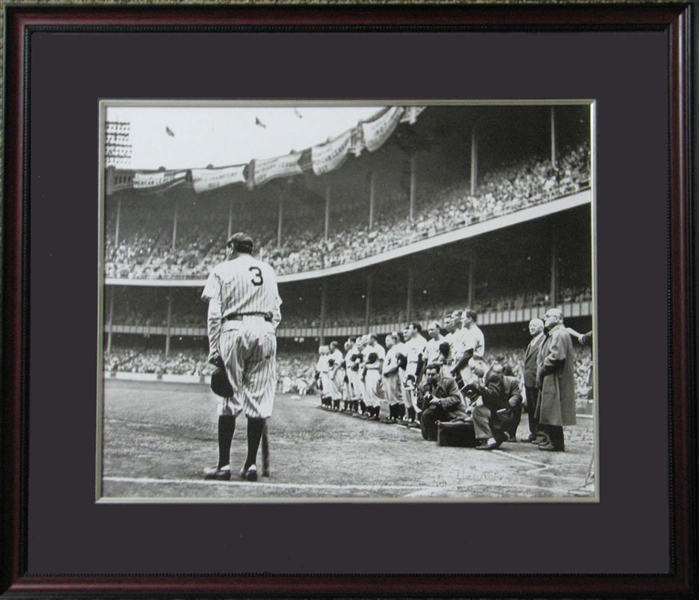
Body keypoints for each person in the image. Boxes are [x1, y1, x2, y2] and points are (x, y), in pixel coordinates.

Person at [201, 232, 282, 482]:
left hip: (234, 328)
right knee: (258, 401)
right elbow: (277, 312)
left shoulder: (222, 268)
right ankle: (250, 466)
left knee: (229, 399)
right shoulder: (268, 270)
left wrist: (215, 348)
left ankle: (224, 466)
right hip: (265, 329)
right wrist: (265, 331)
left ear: (231, 247)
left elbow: (215, 314)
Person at [535, 308, 576, 452]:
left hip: (554, 376)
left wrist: (542, 368)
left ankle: (556, 443)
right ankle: (553, 440)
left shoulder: (558, 333)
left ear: (558, 319)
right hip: (552, 376)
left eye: (548, 316)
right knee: (551, 410)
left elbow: (556, 357)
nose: (544, 318)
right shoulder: (555, 333)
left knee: (552, 410)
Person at [464, 356, 510, 450]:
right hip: (495, 410)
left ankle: (490, 439)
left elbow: (493, 395)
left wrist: (477, 387)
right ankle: (499, 435)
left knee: (478, 411)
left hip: (500, 412)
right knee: (474, 411)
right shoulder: (486, 377)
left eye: (473, 368)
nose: (473, 372)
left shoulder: (493, 376)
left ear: (481, 364)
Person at [418, 363, 468, 441]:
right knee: (426, 430)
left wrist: (439, 401)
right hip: (436, 411)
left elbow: (456, 398)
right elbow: (420, 405)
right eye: (428, 375)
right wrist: (425, 399)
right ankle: (433, 436)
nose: (430, 377)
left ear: (439, 373)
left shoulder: (449, 382)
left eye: (433, 374)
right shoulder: (424, 385)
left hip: (452, 411)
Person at [523, 318, 545, 443]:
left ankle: (541, 433)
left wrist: (539, 378)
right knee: (531, 408)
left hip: (537, 380)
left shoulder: (543, 341)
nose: (531, 328)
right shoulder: (531, 342)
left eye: (534, 326)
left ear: (541, 327)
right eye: (530, 325)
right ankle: (534, 432)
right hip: (528, 380)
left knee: (538, 408)